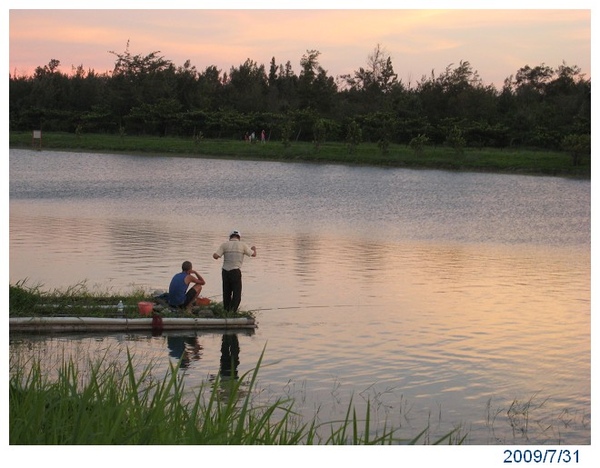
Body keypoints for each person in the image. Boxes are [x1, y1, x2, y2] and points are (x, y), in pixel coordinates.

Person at [213, 230, 256, 312]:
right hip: (235, 271)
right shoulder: (242, 245)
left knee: (226, 293)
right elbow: (253, 254)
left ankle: (226, 310)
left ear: (230, 237)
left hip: (225, 271)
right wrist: (254, 249)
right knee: (237, 294)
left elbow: (216, 256)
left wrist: (214, 254)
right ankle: (232, 312)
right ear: (239, 237)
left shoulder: (224, 245)